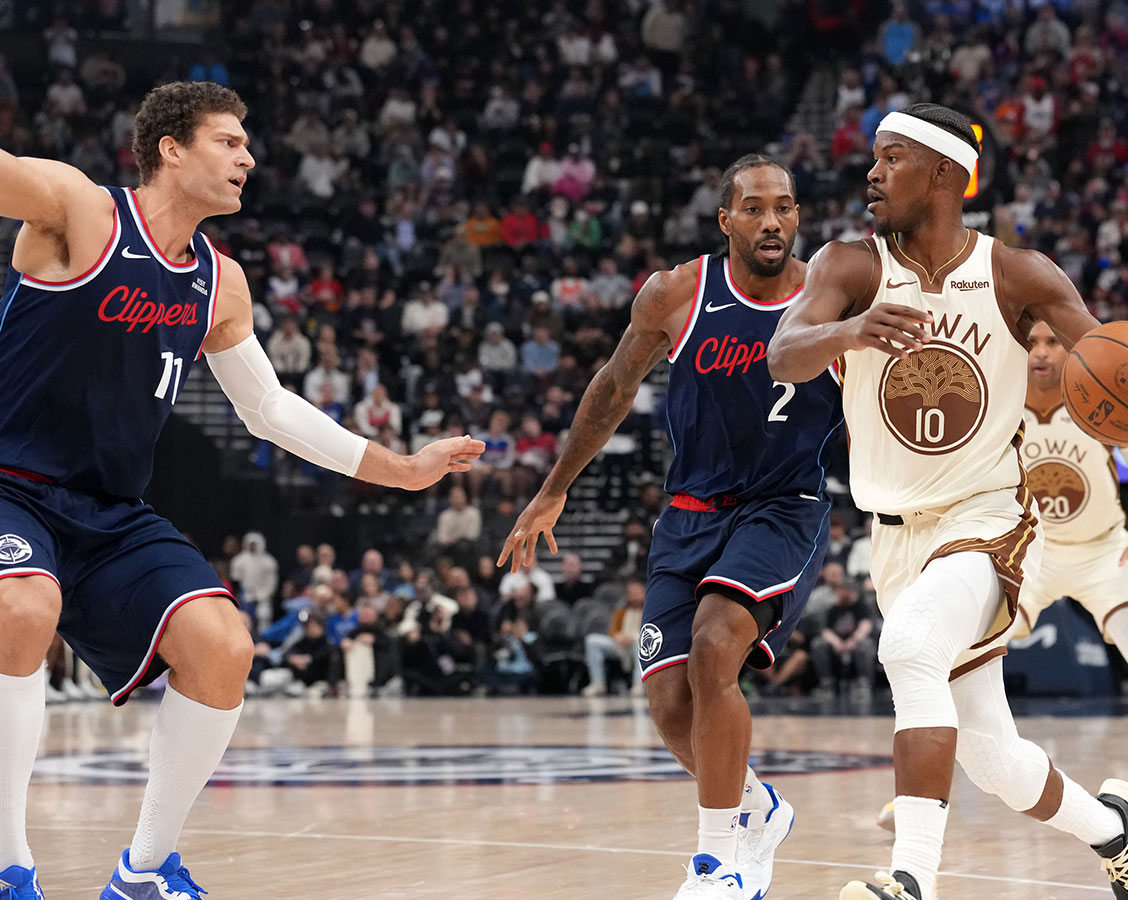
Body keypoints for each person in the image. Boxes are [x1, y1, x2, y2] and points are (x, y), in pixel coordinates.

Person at [0, 82, 482, 900]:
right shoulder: (79, 210)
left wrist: (400, 467)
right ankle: (10, 864)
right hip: (10, 483)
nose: (248, 158)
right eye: (228, 142)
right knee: (21, 611)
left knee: (223, 646)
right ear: (170, 149)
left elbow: (266, 410)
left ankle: (144, 871)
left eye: (246, 146)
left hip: (112, 511)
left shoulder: (219, 283)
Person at [770, 103, 1128, 900]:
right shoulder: (849, 268)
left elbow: (1113, 358)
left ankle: (912, 880)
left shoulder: (1018, 275)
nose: (871, 172)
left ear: (943, 173)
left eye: (890, 157)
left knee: (907, 649)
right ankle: (1115, 832)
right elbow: (783, 355)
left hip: (986, 520)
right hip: (894, 537)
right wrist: (853, 331)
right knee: (996, 761)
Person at [498, 155, 839, 900]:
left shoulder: (829, 296)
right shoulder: (677, 293)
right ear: (726, 221)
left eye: (784, 207)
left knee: (718, 647)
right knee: (668, 703)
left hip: (784, 506)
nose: (772, 221)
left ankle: (717, 864)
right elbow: (614, 387)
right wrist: (554, 489)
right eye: (754, 208)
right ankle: (757, 805)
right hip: (689, 511)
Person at [880, 320, 1128, 838]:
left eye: (1052, 342)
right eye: (1031, 343)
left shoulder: (1099, 399)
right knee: (947, 656)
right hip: (1026, 548)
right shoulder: (999, 399)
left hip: (1103, 550)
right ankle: (922, 785)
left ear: (1074, 349)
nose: (1040, 352)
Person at [582, 579, 646, 697]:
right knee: (592, 641)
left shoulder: (649, 610)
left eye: (638, 593)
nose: (636, 597)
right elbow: (613, 631)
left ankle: (639, 684)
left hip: (640, 644)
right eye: (632, 593)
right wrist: (619, 637)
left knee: (639, 642)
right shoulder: (621, 611)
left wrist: (633, 637)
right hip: (620, 645)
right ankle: (598, 683)